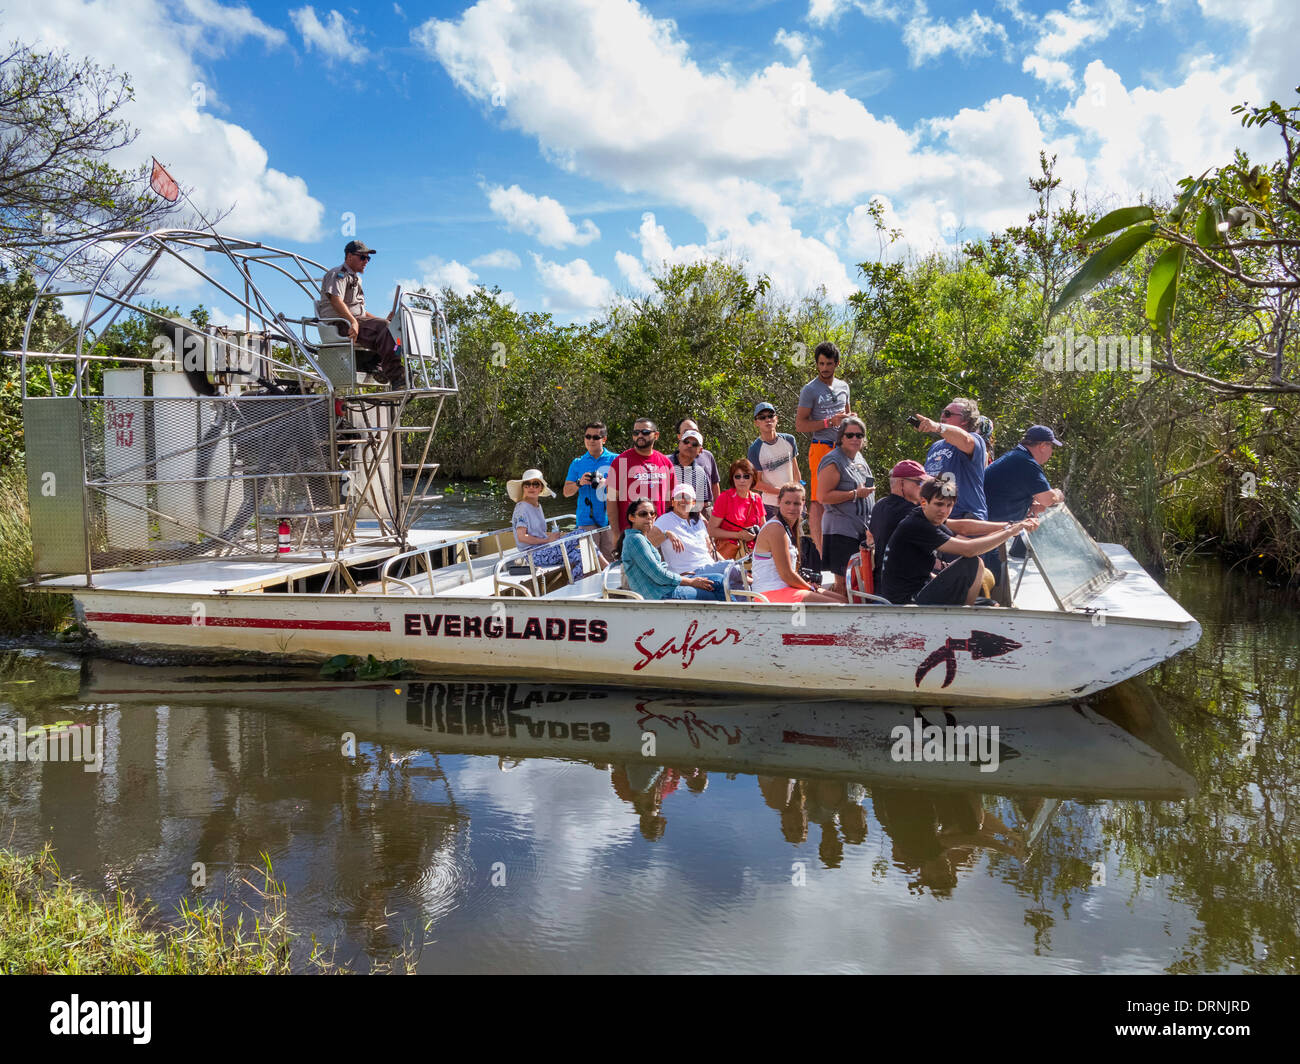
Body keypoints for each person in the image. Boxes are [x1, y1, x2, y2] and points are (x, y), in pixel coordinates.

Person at [878, 479, 1037, 606]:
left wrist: (1010, 526)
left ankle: (965, 616)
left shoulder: (928, 516)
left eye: (949, 506)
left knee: (991, 605)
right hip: (905, 601)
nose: (944, 511)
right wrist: (1011, 532)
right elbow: (969, 550)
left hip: (919, 589)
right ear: (924, 502)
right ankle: (962, 621)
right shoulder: (917, 524)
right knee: (974, 563)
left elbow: (965, 529)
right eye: (939, 504)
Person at [983, 425, 1066, 588]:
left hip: (991, 531)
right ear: (1043, 446)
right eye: (1051, 448)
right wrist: (1059, 494)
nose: (1051, 453)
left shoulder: (1016, 457)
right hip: (989, 536)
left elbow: (1008, 491)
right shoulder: (1025, 462)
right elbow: (1048, 499)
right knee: (991, 587)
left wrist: (1030, 504)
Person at [318, 239, 403, 385]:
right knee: (385, 328)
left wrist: (383, 319)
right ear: (349, 256)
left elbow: (360, 311)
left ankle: (381, 364)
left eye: (368, 258)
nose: (366, 261)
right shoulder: (338, 274)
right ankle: (396, 376)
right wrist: (353, 322)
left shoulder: (356, 279)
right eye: (362, 257)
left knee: (395, 330)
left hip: (354, 320)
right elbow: (336, 301)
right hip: (340, 323)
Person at [795, 341, 853, 554]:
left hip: (844, 449)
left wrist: (851, 421)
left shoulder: (844, 386)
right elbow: (800, 424)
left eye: (829, 363)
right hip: (821, 447)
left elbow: (847, 417)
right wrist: (829, 422)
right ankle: (820, 552)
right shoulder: (810, 389)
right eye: (821, 363)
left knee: (846, 495)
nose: (825, 368)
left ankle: (843, 547)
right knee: (818, 499)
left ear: (836, 363)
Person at [749, 484, 846, 603]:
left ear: (803, 504)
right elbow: (787, 575)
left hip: (785, 588)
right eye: (787, 503)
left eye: (796, 504)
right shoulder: (776, 529)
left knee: (843, 600)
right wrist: (810, 588)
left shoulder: (788, 527)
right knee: (839, 604)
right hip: (770, 592)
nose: (792, 508)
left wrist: (809, 587)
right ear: (779, 502)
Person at [616, 500, 725, 601]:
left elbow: (657, 571)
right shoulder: (635, 539)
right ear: (632, 518)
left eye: (652, 514)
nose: (649, 517)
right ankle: (734, 619)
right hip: (658, 594)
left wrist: (667, 533)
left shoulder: (640, 538)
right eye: (643, 514)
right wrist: (690, 582)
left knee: (719, 579)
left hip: (664, 588)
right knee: (715, 590)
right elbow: (658, 575)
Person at [815, 416, 874, 597]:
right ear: (841, 437)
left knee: (859, 583)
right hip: (841, 531)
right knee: (843, 583)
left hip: (860, 531)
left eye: (859, 435)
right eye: (850, 435)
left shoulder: (859, 458)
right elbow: (822, 496)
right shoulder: (833, 460)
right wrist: (855, 494)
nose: (855, 439)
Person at [911, 397, 988, 519]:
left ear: (965, 420)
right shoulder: (936, 446)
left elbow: (965, 440)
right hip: (938, 518)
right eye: (943, 412)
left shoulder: (975, 440)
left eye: (948, 414)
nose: (942, 417)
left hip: (966, 518)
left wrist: (937, 427)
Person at [653, 484, 742, 586]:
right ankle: (750, 581)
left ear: (693, 503)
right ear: (673, 502)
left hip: (708, 568)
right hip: (689, 573)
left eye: (687, 497)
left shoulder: (698, 521)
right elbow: (648, 541)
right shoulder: (665, 520)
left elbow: (711, 552)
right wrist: (666, 534)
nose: (683, 500)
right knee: (734, 571)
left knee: (737, 574)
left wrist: (728, 564)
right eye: (679, 497)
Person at [507, 468, 584, 577]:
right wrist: (547, 540)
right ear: (523, 488)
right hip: (533, 555)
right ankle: (605, 568)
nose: (531, 487)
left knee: (581, 555)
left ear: (541, 488)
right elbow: (522, 537)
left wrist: (552, 538)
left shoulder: (538, 506)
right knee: (580, 533)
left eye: (535, 484)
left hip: (544, 549)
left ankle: (572, 585)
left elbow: (537, 533)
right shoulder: (522, 508)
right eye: (527, 484)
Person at [605, 418, 676, 535]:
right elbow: (611, 500)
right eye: (636, 433)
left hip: (660, 532)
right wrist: (616, 533)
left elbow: (671, 501)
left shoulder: (665, 462)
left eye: (645, 432)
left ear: (656, 435)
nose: (640, 435)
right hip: (631, 534)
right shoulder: (620, 461)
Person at [868, 460, 931, 587]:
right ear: (901, 483)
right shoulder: (910, 512)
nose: (924, 488)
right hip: (904, 589)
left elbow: (870, 537)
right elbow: (955, 530)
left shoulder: (879, 505)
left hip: (882, 584)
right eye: (920, 482)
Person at [563, 422, 618, 557]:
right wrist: (579, 483)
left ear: (604, 440)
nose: (591, 440)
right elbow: (566, 492)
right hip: (586, 521)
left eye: (595, 437)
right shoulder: (577, 463)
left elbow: (627, 490)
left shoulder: (616, 459)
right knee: (590, 565)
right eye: (588, 436)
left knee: (611, 562)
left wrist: (607, 483)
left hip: (610, 520)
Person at [747, 401, 800, 518]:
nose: (767, 420)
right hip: (770, 505)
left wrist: (799, 493)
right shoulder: (755, 449)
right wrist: (782, 492)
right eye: (762, 417)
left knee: (795, 536)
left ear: (776, 419)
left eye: (770, 416)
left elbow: (795, 471)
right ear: (756, 422)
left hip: (792, 503)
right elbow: (756, 483)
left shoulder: (789, 440)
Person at [708, 458, 767, 560]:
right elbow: (711, 531)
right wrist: (738, 535)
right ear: (733, 478)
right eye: (737, 476)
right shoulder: (724, 498)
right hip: (730, 554)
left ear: (753, 478)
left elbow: (764, 528)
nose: (742, 480)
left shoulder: (756, 498)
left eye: (746, 476)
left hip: (754, 554)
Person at [674, 418, 721, 506]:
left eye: (695, 431)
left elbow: (715, 484)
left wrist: (718, 509)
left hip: (705, 510)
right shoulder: (667, 461)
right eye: (686, 431)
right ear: (679, 437)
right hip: (678, 510)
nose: (691, 434)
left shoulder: (708, 456)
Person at [671, 428, 716, 514]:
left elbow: (699, 506)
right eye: (686, 442)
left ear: (700, 450)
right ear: (679, 444)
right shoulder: (664, 463)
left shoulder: (700, 472)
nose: (689, 445)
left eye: (694, 444)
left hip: (689, 517)